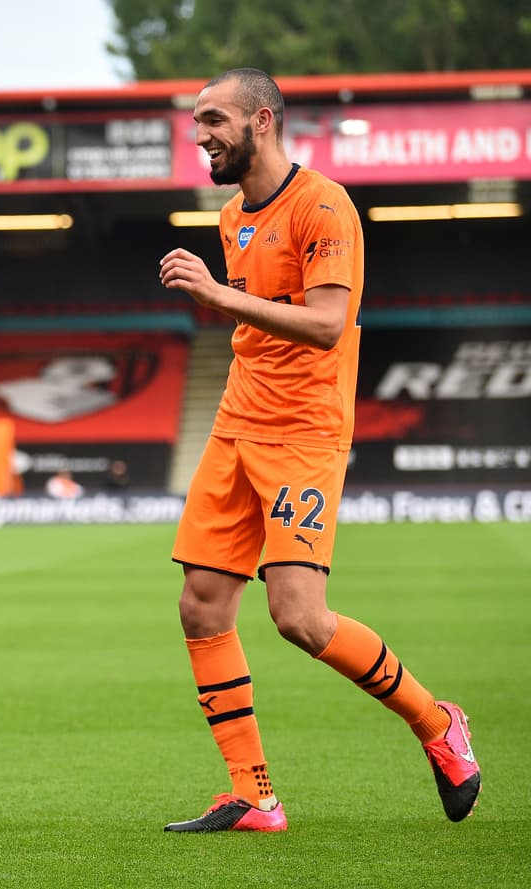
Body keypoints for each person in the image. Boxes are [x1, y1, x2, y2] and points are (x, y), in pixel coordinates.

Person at [157, 68, 479, 833]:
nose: (200, 133)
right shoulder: (234, 214)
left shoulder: (324, 205)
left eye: (214, 119)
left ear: (261, 120)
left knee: (298, 616)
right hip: (237, 423)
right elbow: (261, 326)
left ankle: (436, 722)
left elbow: (329, 323)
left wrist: (217, 296)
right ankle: (253, 795)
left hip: (303, 434)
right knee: (201, 604)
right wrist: (227, 302)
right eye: (196, 121)